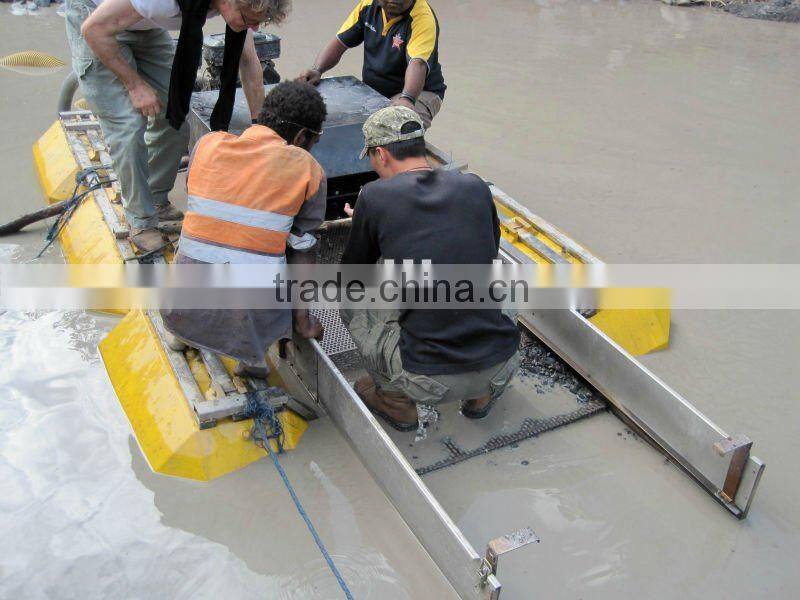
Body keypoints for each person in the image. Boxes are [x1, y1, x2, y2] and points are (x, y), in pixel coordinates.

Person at [339, 107, 520, 431]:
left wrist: (367, 225)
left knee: (351, 299)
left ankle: (397, 402)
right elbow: (487, 254)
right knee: (500, 281)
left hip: (424, 377)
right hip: (500, 362)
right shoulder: (475, 187)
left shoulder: (375, 196)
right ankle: (480, 396)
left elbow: (352, 277)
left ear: (381, 154)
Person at [65, 0, 292, 252]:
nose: (256, 27)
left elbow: (249, 63)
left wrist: (261, 128)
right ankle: (141, 221)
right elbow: (93, 30)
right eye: (250, 19)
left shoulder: (239, 8)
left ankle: (154, 198)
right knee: (128, 128)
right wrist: (135, 85)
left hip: (143, 24)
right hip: (96, 19)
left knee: (177, 113)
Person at [160, 81, 327, 378]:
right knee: (290, 254)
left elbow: (199, 202)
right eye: (315, 139)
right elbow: (303, 251)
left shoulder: (207, 144)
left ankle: (183, 334)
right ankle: (252, 360)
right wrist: (302, 320)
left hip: (178, 308)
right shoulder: (308, 169)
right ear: (303, 136)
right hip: (247, 319)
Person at [297, 0, 446, 129]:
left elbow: (418, 64)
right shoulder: (368, 6)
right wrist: (317, 69)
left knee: (397, 126)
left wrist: (407, 98)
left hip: (420, 92)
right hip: (376, 90)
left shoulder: (422, 17)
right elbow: (340, 42)